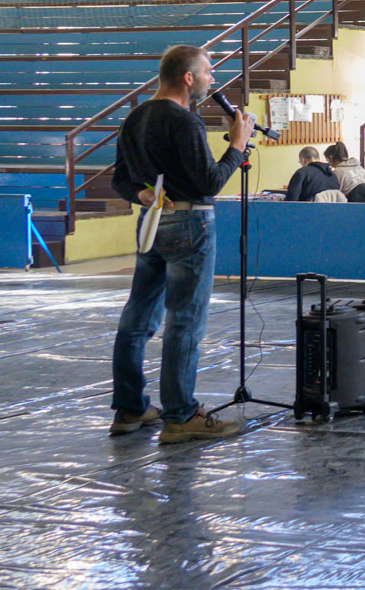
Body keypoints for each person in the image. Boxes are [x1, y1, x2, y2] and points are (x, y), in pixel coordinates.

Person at [109, 45, 253, 443]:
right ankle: (181, 414)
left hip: (152, 222)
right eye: (208, 72)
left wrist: (140, 194)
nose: (212, 79)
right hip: (190, 224)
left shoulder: (135, 117)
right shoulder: (185, 121)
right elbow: (210, 182)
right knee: (184, 320)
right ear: (188, 78)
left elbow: (120, 178)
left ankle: (130, 407)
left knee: (137, 317)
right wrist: (237, 145)